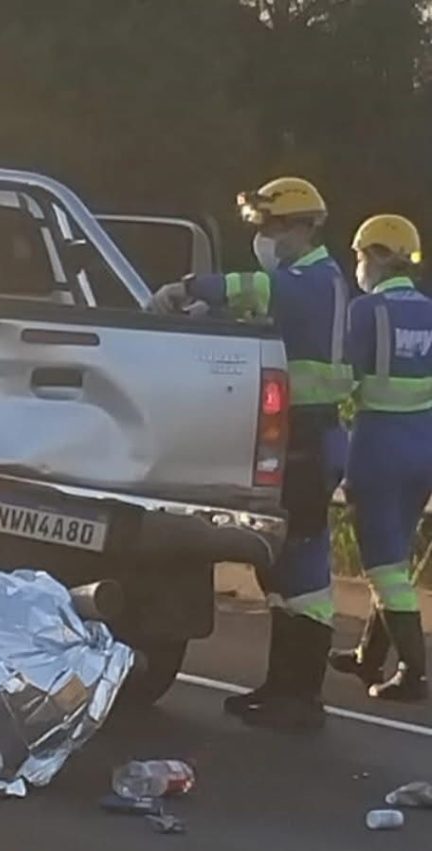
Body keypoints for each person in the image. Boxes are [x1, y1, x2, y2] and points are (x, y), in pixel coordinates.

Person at [152, 177, 354, 731]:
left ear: (306, 227)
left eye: (274, 226)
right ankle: (280, 687)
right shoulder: (299, 279)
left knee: (305, 571)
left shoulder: (314, 279)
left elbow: (257, 293)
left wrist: (191, 287)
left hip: (311, 439)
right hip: (298, 437)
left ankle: (301, 696)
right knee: (284, 569)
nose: (265, 237)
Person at [328, 214, 429, 702]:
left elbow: (343, 378)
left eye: (361, 255)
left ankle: (413, 669)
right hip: (423, 449)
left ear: (380, 256)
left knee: (382, 564)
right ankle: (370, 656)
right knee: (396, 554)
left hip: (378, 448)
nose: (358, 266)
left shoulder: (366, 312)